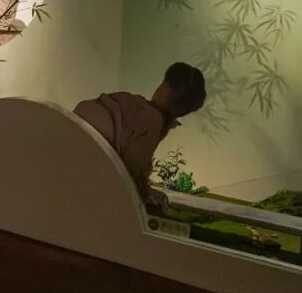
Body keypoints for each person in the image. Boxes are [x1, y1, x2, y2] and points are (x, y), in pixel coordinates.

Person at [73, 62, 206, 211]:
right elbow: (127, 180)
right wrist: (146, 194)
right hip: (86, 178)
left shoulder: (130, 101)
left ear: (164, 86)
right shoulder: (152, 120)